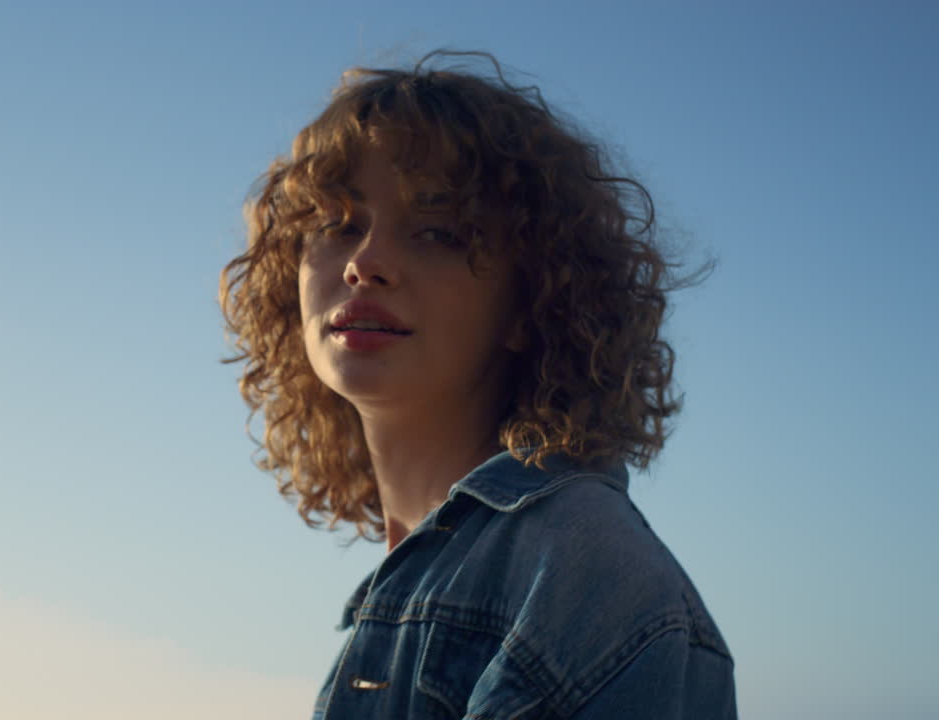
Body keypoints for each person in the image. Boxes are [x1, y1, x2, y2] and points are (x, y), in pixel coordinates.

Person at [220, 50, 735, 719]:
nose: (365, 263)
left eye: (436, 231)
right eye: (337, 225)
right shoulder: (428, 581)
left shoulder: (579, 571)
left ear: (533, 302)